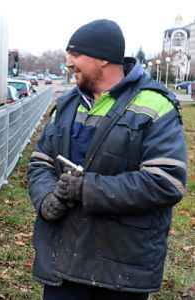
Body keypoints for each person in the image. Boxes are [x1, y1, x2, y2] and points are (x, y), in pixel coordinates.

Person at [27, 19, 187, 300]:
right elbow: (40, 162)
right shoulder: (67, 106)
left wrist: (86, 189)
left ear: (102, 58)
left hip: (120, 270)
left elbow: (166, 181)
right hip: (62, 263)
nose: (68, 62)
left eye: (75, 54)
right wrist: (45, 198)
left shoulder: (156, 105)